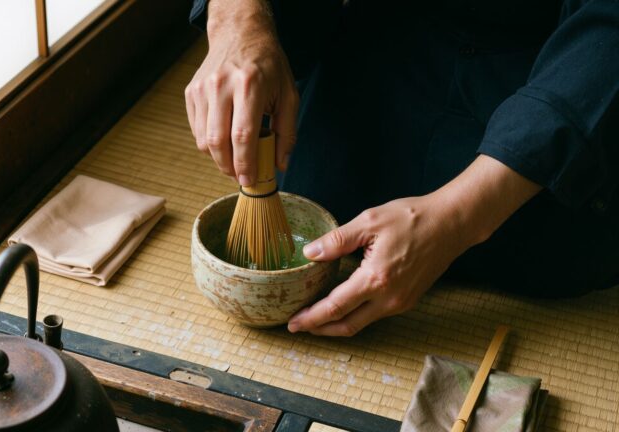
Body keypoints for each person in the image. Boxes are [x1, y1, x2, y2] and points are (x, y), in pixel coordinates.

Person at [185, 0, 619, 336]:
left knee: (542, 247)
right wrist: (237, 22)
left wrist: (458, 216)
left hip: (563, 72)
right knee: (319, 186)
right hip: (386, 41)